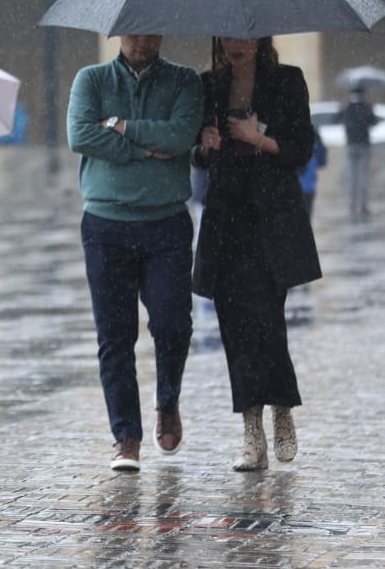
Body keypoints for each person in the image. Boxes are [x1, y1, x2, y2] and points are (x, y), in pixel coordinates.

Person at [67, 35, 203, 472]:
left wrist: (122, 126)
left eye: (150, 32)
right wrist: (146, 148)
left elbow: (181, 135)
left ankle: (168, 400)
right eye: (133, 32)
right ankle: (126, 436)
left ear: (162, 34)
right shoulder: (90, 79)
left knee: (172, 323)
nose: (142, 41)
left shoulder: (184, 82)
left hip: (166, 221)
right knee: (115, 335)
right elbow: (81, 134)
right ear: (118, 34)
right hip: (106, 223)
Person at [192, 37, 321, 471]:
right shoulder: (208, 85)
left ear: (261, 37)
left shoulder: (287, 81)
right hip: (226, 221)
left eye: (244, 34)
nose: (235, 43)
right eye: (227, 34)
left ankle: (282, 408)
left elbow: (302, 148)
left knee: (266, 320)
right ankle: (252, 432)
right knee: (234, 327)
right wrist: (205, 145)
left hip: (271, 222)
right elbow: (196, 154)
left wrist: (258, 138)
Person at [340, 87, 378, 220]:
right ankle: (362, 206)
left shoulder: (347, 108)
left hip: (351, 145)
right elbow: (373, 121)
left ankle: (351, 206)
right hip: (364, 145)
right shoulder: (365, 107)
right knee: (363, 177)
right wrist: (371, 108)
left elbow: (339, 119)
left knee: (352, 178)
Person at [297, 128, 327, 219]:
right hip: (309, 188)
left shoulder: (298, 144)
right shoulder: (317, 146)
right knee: (307, 217)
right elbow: (322, 162)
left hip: (296, 188)